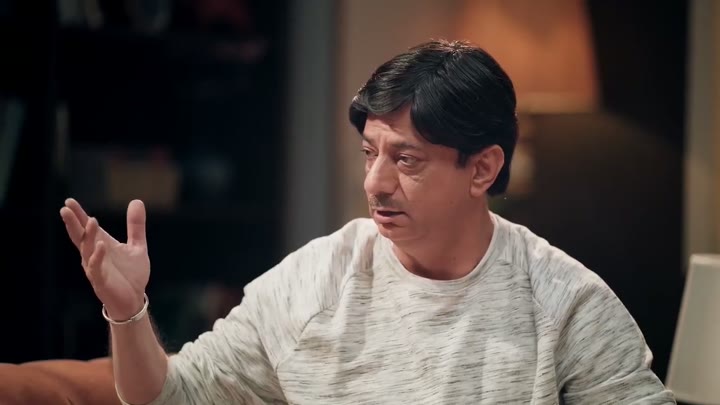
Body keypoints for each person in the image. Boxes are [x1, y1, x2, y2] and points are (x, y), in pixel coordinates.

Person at [59, 40, 675, 404]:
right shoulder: (315, 281)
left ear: (483, 168)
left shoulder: (566, 303)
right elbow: (171, 397)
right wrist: (127, 310)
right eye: (369, 153)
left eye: (406, 160)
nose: (375, 183)